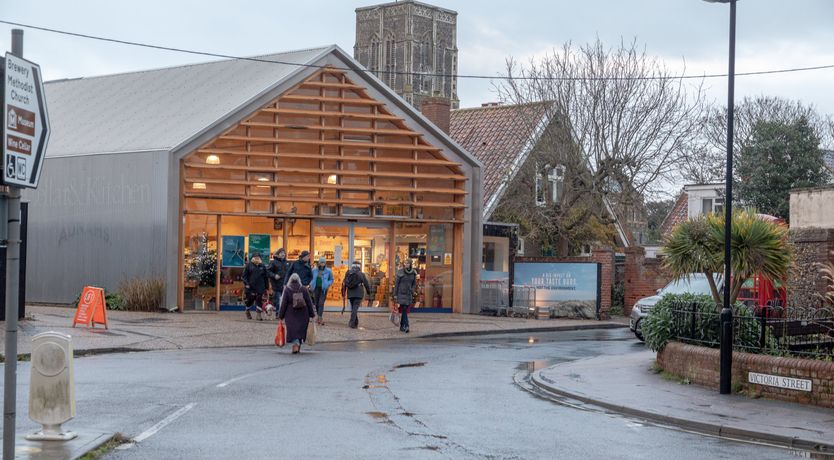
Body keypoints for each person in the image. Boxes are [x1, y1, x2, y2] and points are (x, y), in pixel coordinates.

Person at [278, 273, 316, 354]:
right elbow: (309, 302)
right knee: (300, 330)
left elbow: (284, 304)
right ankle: (298, 345)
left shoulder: (287, 290)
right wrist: (312, 314)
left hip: (290, 314)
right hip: (303, 314)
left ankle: (295, 345)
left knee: (293, 330)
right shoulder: (304, 289)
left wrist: (281, 316)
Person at [341, 261, 371, 329]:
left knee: (353, 308)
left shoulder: (348, 273)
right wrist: (369, 292)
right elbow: (366, 283)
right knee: (355, 308)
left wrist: (343, 292)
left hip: (350, 293)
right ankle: (352, 322)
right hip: (359, 293)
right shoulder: (361, 274)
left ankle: (355, 322)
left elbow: (344, 283)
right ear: (359, 267)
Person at [241, 253, 270, 320]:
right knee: (250, 300)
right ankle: (247, 310)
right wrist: (247, 284)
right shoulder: (248, 266)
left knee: (259, 300)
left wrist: (267, 287)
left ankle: (258, 315)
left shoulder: (262, 266)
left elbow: (266, 277)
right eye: (255, 257)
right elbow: (244, 276)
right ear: (252, 258)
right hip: (250, 287)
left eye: (258, 257)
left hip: (260, 286)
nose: (257, 259)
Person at [393, 258, 417, 333]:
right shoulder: (400, 272)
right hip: (401, 293)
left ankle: (402, 326)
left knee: (404, 310)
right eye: (405, 263)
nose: (406, 264)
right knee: (404, 309)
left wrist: (412, 290)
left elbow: (414, 283)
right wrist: (395, 294)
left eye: (407, 263)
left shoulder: (413, 273)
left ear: (410, 264)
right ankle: (406, 326)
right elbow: (396, 284)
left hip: (408, 294)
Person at [310, 256, 334, 326]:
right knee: (316, 303)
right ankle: (318, 315)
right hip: (316, 288)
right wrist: (311, 284)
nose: (322, 264)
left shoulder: (328, 271)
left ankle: (320, 317)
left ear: (325, 263)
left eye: (324, 262)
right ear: (319, 263)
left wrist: (328, 284)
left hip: (323, 289)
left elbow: (331, 279)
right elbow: (311, 277)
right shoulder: (314, 270)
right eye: (321, 262)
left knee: (321, 303)